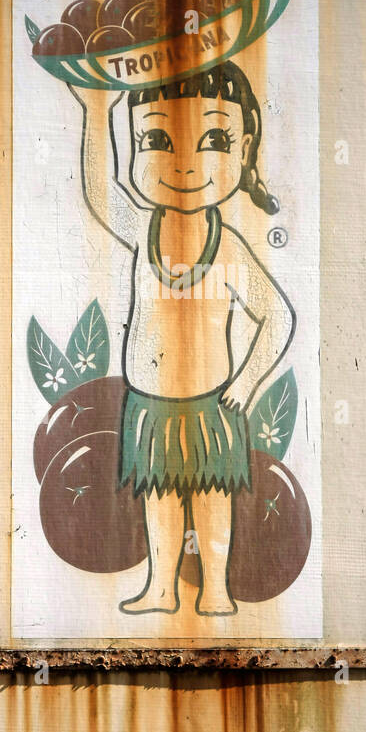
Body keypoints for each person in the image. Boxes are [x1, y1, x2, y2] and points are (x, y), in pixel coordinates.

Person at [67, 59, 295, 616]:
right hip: (151, 402)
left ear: (243, 152)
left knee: (214, 497)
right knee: (160, 497)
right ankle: (162, 587)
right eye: (158, 139)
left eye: (213, 138)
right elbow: (101, 190)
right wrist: (97, 112)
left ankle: (214, 587)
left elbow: (277, 318)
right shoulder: (141, 229)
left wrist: (247, 380)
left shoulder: (230, 248)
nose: (185, 164)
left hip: (213, 402)